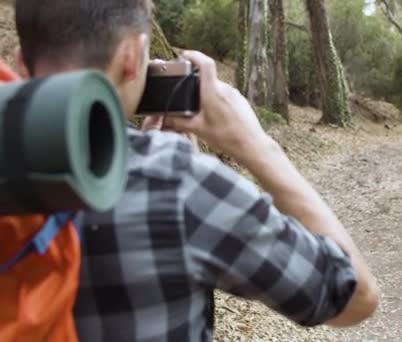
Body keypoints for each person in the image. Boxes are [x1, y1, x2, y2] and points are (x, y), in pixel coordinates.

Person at [13, 1, 379, 340]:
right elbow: (354, 298)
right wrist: (258, 146)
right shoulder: (177, 184)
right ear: (132, 55)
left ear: (20, 63)